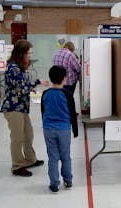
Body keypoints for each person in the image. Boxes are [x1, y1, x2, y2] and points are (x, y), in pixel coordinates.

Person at [0, 39, 49, 177]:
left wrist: (30, 89)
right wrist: (38, 82)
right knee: (17, 137)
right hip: (13, 108)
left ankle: (29, 159)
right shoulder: (13, 68)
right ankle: (17, 166)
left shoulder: (19, 66)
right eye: (29, 53)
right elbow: (21, 89)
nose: (30, 56)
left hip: (21, 107)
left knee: (28, 134)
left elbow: (22, 86)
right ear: (21, 53)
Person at [41, 65, 78, 193]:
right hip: (64, 129)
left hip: (48, 129)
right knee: (65, 156)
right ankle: (68, 180)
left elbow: (43, 111)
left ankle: (54, 183)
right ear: (64, 79)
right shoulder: (67, 94)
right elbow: (73, 113)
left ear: (51, 79)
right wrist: (76, 130)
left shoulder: (45, 94)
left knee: (53, 157)